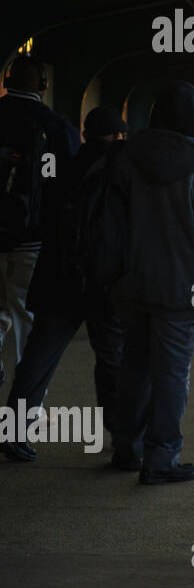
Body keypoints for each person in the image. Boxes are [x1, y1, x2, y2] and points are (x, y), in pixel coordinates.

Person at [110, 82, 194, 485]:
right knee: (171, 374)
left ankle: (127, 448)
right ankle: (161, 458)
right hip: (181, 291)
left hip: (128, 286)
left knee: (133, 366)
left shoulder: (123, 161)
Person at [1, 108, 128, 464]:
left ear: (86, 134)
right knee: (112, 359)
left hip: (60, 276)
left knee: (39, 356)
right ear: (118, 137)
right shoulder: (123, 174)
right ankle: (122, 439)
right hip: (103, 282)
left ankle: (13, 431)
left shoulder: (64, 166)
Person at [0, 57, 79, 393]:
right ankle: (26, 407)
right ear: (44, 85)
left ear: (7, 80)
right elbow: (71, 186)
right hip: (32, 240)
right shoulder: (56, 127)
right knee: (26, 320)